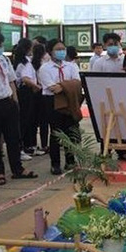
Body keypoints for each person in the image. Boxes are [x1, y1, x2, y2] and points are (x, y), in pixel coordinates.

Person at [0, 31, 38, 185]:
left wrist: (15, 101)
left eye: (0, 45)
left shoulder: (4, 60)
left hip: (8, 102)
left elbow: (11, 81)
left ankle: (18, 169)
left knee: (13, 138)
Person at [38, 39, 81, 175]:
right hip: (52, 101)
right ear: (50, 51)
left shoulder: (71, 66)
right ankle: (55, 163)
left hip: (69, 100)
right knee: (56, 133)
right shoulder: (45, 68)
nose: (62, 51)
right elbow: (52, 88)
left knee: (70, 131)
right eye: (58, 49)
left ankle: (70, 160)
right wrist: (68, 86)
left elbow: (77, 83)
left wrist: (62, 86)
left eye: (63, 48)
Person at [12, 38, 41, 159]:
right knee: (24, 121)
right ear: (28, 48)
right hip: (25, 92)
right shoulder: (24, 63)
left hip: (26, 92)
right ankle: (21, 148)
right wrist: (36, 86)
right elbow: (25, 79)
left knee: (28, 120)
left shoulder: (21, 61)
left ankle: (27, 146)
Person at [31, 43, 50, 156]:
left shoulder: (31, 64)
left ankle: (33, 144)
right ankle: (44, 144)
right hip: (43, 93)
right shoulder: (44, 65)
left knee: (33, 121)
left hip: (34, 93)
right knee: (44, 121)